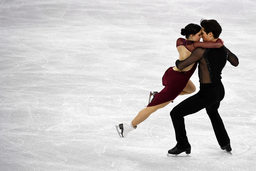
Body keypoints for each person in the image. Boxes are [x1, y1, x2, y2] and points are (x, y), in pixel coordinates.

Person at [116, 23, 224, 138]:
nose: (201, 37)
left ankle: (159, 96)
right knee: (153, 107)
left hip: (173, 74)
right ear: (191, 35)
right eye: (199, 35)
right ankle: (128, 127)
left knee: (191, 89)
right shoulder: (194, 47)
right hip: (177, 80)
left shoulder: (182, 41)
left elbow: (186, 44)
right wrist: (219, 42)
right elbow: (216, 45)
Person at [168, 19, 239, 155]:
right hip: (219, 91)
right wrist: (222, 47)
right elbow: (235, 62)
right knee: (212, 111)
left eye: (203, 33)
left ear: (211, 35)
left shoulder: (202, 50)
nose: (201, 35)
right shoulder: (222, 48)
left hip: (207, 93)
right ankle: (225, 143)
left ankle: (183, 144)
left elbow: (182, 65)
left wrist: (176, 62)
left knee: (176, 113)